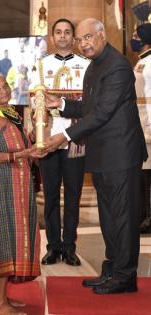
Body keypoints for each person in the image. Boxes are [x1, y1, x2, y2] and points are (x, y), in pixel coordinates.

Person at [44, 18, 147, 294]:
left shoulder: (118, 66)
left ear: (102, 36)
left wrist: (64, 137)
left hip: (121, 155)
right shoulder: (94, 66)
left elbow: (102, 114)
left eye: (89, 37)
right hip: (102, 155)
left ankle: (125, 276)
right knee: (109, 216)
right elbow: (90, 107)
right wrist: (62, 104)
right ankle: (112, 269)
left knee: (123, 217)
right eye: (81, 39)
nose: (84, 43)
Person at [0, 73, 43, 315]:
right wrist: (21, 155)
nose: (3, 90)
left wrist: (34, 150)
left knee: (14, 239)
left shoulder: (10, 114)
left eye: (4, 85)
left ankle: (0, 296)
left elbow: (21, 149)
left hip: (16, 187)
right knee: (3, 239)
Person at [30, 18, 90, 266]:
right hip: (48, 137)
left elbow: (90, 103)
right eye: (58, 32)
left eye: (67, 32)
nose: (63, 36)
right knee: (51, 195)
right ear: (52, 37)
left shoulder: (86, 65)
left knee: (73, 195)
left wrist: (64, 100)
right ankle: (53, 246)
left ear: (74, 37)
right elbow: (35, 100)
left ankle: (70, 247)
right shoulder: (41, 65)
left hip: (77, 138)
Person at [131, 23, 151, 233]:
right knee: (144, 173)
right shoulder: (142, 61)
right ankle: (144, 215)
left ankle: (147, 217)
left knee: (147, 174)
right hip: (141, 123)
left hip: (148, 125)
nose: (134, 38)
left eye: (137, 35)